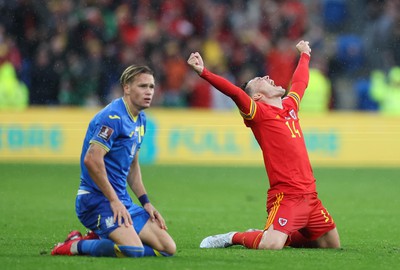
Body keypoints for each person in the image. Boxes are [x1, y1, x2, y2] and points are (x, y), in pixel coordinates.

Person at [187, 40, 340, 250]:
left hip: (311, 196)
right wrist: (204, 72)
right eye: (260, 79)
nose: (267, 77)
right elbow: (235, 93)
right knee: (271, 245)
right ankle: (234, 237)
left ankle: (276, 234)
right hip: (286, 197)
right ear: (257, 96)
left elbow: (300, 83)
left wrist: (305, 55)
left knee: (330, 245)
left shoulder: (290, 106)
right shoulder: (259, 114)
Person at [51, 65, 176, 257]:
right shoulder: (112, 117)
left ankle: (100, 237)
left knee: (168, 249)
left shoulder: (140, 120)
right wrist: (113, 200)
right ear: (127, 88)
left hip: (120, 200)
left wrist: (146, 203)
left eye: (151, 87)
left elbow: (132, 166)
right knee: (133, 250)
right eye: (143, 86)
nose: (149, 92)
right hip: (95, 200)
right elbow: (92, 160)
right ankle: (75, 245)